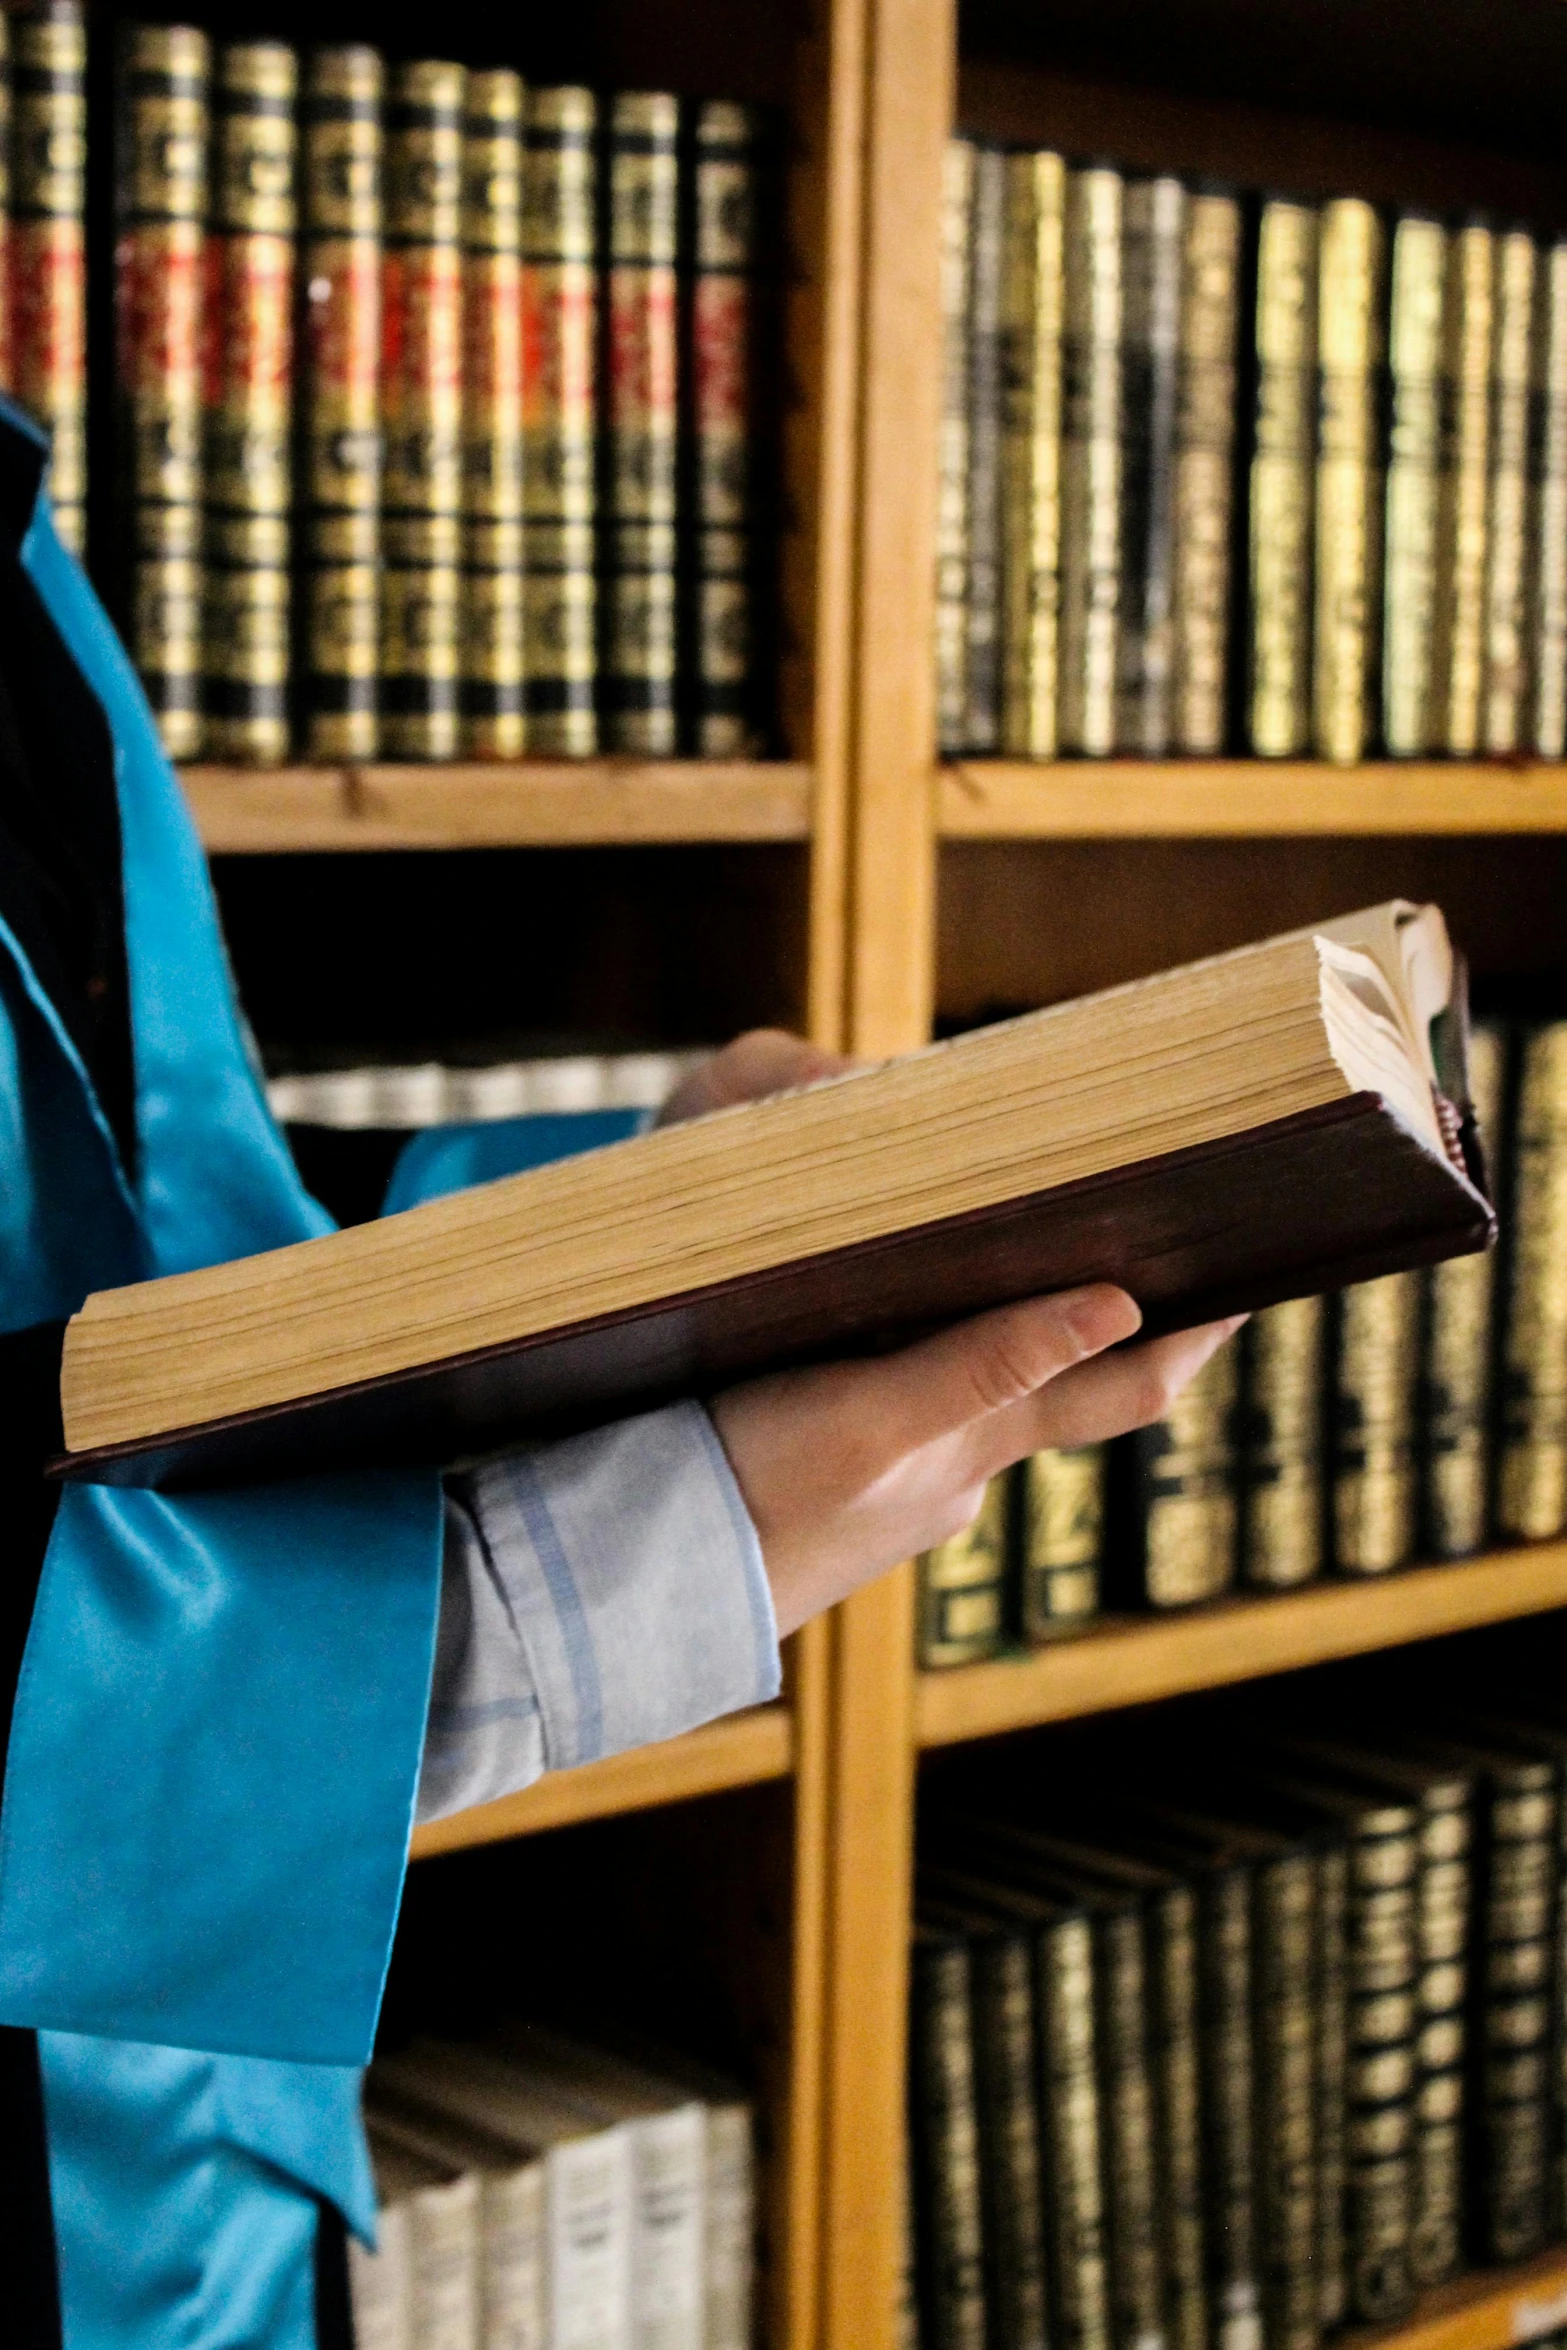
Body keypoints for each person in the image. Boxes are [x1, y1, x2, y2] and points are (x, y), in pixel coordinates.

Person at [0, 395, 1239, 2344]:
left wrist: (669, 1211)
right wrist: (553, 1594)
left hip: (217, 2182)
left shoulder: (21, 540)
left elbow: (138, 1201)